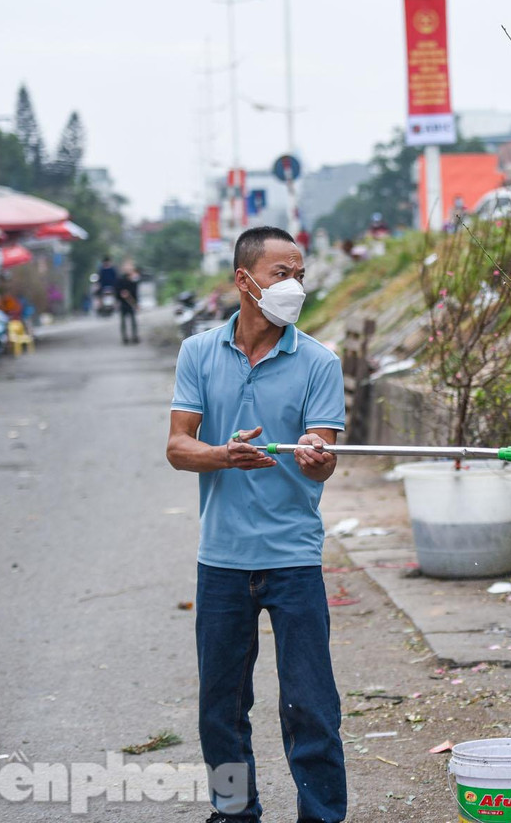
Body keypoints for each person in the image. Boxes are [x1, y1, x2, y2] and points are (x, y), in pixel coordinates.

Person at [165, 226, 346, 823]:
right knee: (220, 707)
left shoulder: (319, 361)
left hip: (293, 557)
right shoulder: (197, 352)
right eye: (280, 273)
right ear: (244, 281)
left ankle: (321, 816)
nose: (294, 284)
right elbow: (177, 447)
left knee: (310, 706)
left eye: (299, 274)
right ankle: (234, 812)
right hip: (221, 560)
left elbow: (321, 461)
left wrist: (318, 458)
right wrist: (225, 454)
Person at [116, 261, 140, 344]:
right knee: (123, 321)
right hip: (123, 303)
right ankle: (124, 337)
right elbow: (117, 290)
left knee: (133, 320)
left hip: (131, 303)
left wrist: (136, 303)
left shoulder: (133, 279)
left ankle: (135, 336)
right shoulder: (120, 279)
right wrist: (121, 294)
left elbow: (135, 292)